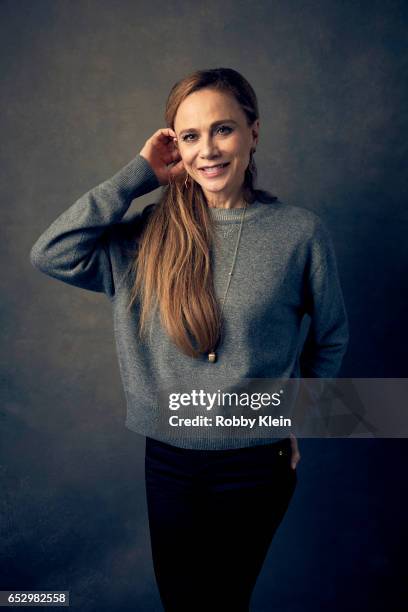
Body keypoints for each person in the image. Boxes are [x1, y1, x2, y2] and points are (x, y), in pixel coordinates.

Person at [29, 67, 349, 611]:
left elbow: (331, 336)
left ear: (253, 132)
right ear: (174, 146)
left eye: (223, 129)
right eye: (190, 136)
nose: (208, 150)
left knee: (223, 603)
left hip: (256, 460)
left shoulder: (299, 233)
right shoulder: (147, 235)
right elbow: (52, 252)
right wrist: (137, 176)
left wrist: (299, 416)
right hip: (170, 459)